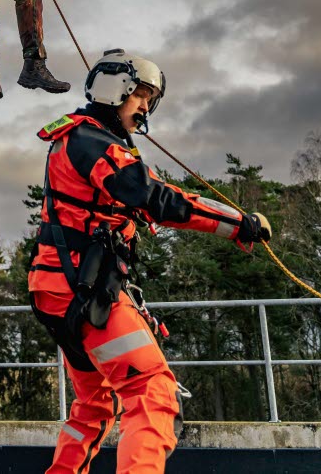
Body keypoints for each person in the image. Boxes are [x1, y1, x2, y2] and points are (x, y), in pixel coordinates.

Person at [28, 49, 272, 474]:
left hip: (59, 289)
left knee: (94, 405)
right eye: (140, 94)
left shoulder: (82, 140)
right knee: (154, 391)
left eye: (149, 99)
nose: (145, 107)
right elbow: (158, 199)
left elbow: (150, 195)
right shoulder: (92, 143)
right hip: (82, 290)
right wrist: (238, 225)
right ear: (113, 88)